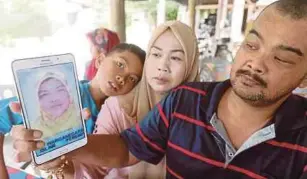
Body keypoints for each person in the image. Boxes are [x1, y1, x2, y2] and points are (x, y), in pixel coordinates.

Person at [13, 0, 307, 178]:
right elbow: (127, 148)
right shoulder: (186, 101)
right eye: (251, 45)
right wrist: (61, 140)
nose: (256, 62)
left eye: (281, 57)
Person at [32, 71, 81, 139]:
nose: (54, 99)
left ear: (69, 94)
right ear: (39, 102)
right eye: (44, 94)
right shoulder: (35, 129)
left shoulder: (81, 118)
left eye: (60, 90)